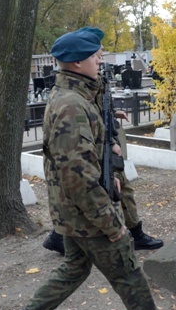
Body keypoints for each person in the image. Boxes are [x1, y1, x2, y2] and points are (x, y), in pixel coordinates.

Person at [0, 27, 176, 310]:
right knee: (127, 269)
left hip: (75, 214)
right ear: (76, 63)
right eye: (95, 55)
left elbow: (83, 152)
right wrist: (111, 222)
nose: (101, 59)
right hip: (88, 214)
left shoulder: (77, 97)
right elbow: (78, 176)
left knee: (74, 268)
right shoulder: (72, 107)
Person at [42, 78, 164, 255]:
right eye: (96, 57)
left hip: (96, 143)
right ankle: (134, 234)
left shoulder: (90, 82)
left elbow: (102, 111)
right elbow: (92, 118)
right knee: (118, 190)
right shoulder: (80, 89)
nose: (98, 61)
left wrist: (114, 115)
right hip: (94, 146)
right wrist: (111, 141)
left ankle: (60, 237)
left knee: (102, 191)